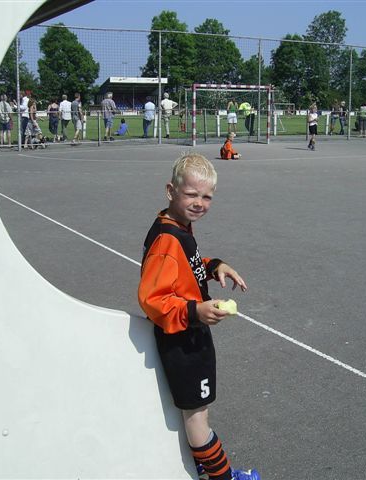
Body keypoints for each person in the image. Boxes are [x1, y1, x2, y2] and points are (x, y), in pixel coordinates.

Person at [138, 152, 259, 480]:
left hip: (188, 333)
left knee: (196, 415)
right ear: (171, 191)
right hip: (183, 339)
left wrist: (214, 265)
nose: (199, 202)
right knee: (196, 420)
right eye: (191, 194)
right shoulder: (167, 238)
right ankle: (225, 478)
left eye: (206, 196)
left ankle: (202, 467)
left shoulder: (176, 226)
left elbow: (184, 269)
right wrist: (195, 310)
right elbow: (153, 299)